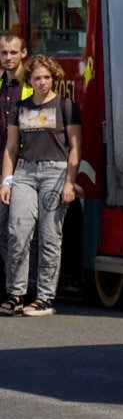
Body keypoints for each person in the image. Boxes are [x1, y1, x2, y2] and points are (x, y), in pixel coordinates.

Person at [0, 55, 81, 316]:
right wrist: (7, 181)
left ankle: (45, 297)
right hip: (24, 172)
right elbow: (11, 148)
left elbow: (75, 149)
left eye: (47, 77)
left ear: (54, 78)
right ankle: (16, 293)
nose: (42, 82)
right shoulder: (20, 108)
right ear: (30, 81)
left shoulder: (66, 106)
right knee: (17, 231)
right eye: (37, 78)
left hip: (55, 174)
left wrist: (70, 182)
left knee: (49, 237)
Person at [0, 32, 32, 294]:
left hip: (27, 167)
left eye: (13, 52)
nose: (8, 58)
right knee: (3, 231)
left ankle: (18, 289)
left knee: (18, 231)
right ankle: (11, 286)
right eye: (3, 53)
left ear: (24, 53)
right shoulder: (0, 85)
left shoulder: (32, 86)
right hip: (4, 166)